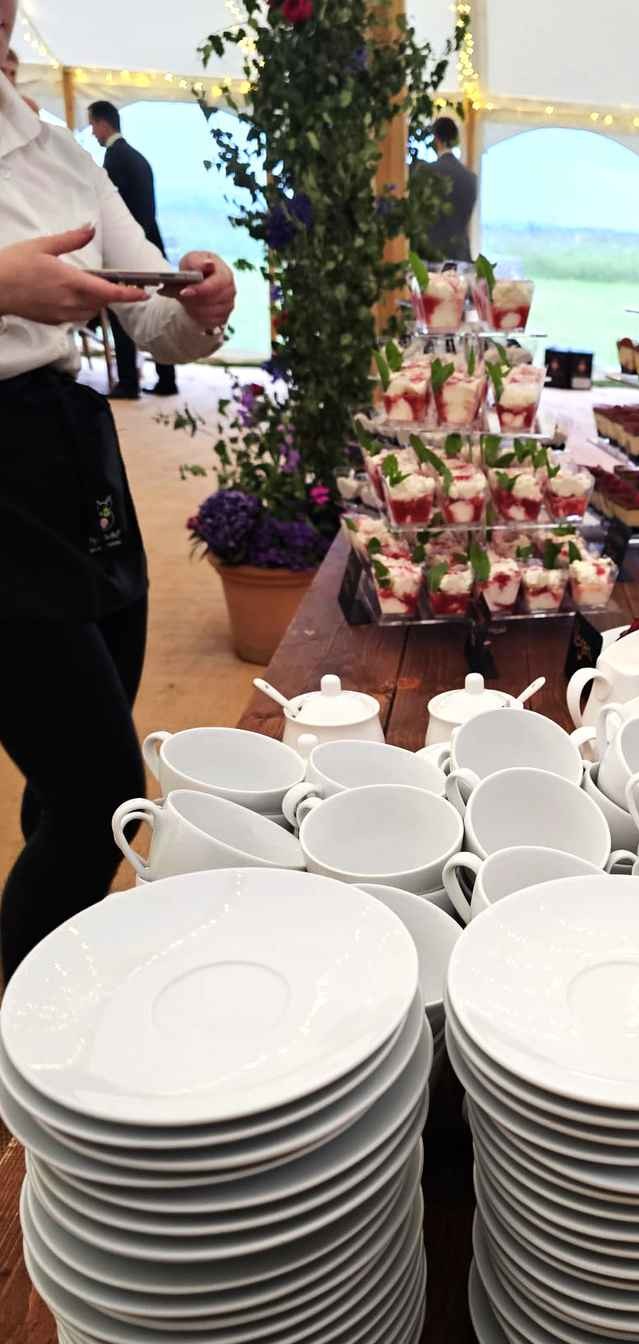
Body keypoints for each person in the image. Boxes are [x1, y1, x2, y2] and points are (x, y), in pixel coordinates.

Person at [0, 14, 236, 981]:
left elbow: (149, 312)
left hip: (67, 455)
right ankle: (23, 1046)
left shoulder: (50, 147)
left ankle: (52, 990)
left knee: (65, 772)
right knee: (103, 788)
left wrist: (199, 306)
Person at [87, 99, 177, 398]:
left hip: (132, 251)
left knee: (121, 311)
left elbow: (115, 217)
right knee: (159, 305)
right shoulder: (138, 158)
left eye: (92, 125)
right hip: (153, 243)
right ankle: (167, 380)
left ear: (103, 123)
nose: (92, 133)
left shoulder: (114, 160)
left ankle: (128, 381)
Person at [422, 116, 477, 263]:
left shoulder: (426, 172)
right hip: (462, 257)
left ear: (435, 139)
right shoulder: (471, 178)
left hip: (431, 259)